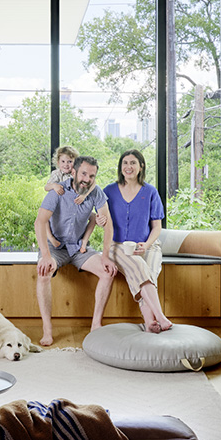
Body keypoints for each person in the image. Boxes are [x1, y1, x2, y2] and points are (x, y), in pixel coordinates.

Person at [35, 155, 117, 346]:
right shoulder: (58, 191)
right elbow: (40, 221)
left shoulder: (96, 192)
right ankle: (47, 331)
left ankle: (96, 325)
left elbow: (108, 224)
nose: (87, 179)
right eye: (83, 174)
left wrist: (106, 256)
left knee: (108, 272)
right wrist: (46, 255)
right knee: (43, 271)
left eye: (91, 175)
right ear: (73, 172)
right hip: (56, 248)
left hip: (79, 248)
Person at [102, 149, 173, 333]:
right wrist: (98, 219)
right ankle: (160, 317)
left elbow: (157, 227)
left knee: (149, 273)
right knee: (141, 269)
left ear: (141, 166)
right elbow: (98, 217)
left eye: (133, 163)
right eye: (125, 163)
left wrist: (146, 245)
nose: (128, 167)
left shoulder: (150, 192)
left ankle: (149, 323)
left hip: (148, 245)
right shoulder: (109, 191)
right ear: (121, 167)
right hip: (117, 246)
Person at [43, 145, 94, 249]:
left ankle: (83, 241)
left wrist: (84, 195)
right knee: (45, 217)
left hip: (75, 204)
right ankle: (51, 238)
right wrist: (54, 185)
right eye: (63, 161)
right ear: (58, 163)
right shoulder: (56, 174)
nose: (66, 165)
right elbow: (46, 187)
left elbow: (93, 183)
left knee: (92, 217)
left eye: (70, 161)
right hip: (60, 206)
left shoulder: (77, 173)